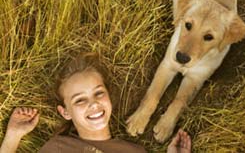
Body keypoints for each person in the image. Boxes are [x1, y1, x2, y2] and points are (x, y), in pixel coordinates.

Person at [0, 53, 191, 153]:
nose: (93, 104)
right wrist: (13, 136)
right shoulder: (58, 148)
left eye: (98, 93)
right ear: (65, 112)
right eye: (80, 100)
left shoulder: (134, 151)